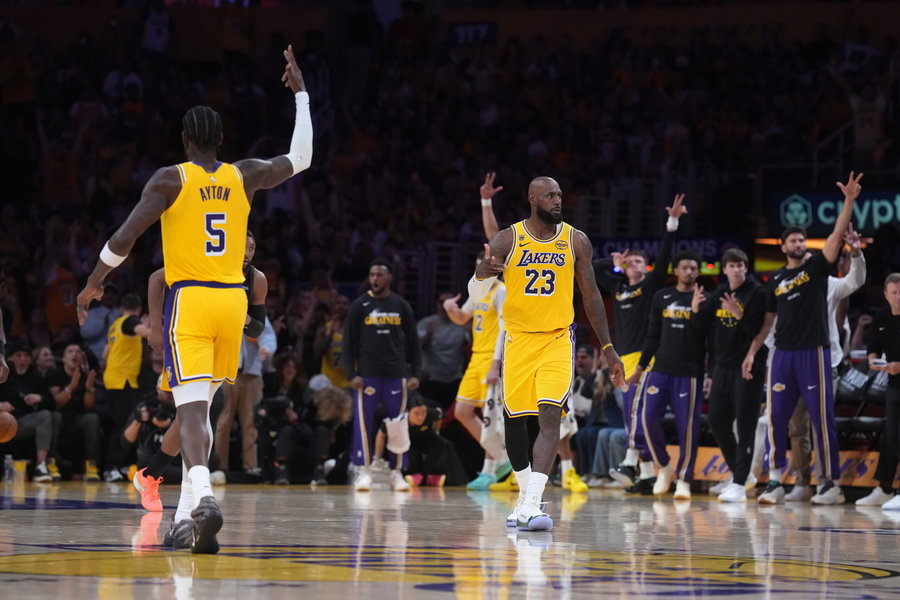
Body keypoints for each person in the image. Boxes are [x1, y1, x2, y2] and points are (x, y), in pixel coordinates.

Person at [76, 45, 312, 553]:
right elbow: (301, 158)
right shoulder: (243, 173)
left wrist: (94, 281)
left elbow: (123, 239)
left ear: (184, 141)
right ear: (220, 140)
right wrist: (302, 97)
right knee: (202, 408)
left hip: (192, 302)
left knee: (189, 411)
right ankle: (184, 519)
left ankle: (203, 497)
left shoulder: (170, 178)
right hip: (233, 302)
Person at [469, 175, 625, 531]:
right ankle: (526, 498)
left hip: (557, 340)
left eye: (559, 195)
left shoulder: (575, 240)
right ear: (532, 198)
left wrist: (608, 348)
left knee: (550, 416)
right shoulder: (508, 239)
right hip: (518, 341)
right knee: (514, 425)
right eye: (550, 195)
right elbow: (477, 296)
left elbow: (591, 296)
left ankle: (532, 503)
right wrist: (481, 273)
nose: (557, 201)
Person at [742, 172, 863, 506]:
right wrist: (752, 352)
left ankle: (830, 483)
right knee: (776, 419)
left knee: (822, 420)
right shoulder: (775, 279)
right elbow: (768, 322)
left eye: (801, 240)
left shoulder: (816, 270)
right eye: (793, 241)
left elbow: (836, 236)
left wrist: (849, 200)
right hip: (782, 354)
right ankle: (775, 481)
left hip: (814, 353)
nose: (798, 244)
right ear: (783, 247)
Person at [593, 195, 686, 493]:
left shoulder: (650, 285)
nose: (633, 264)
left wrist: (672, 223)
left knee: (636, 412)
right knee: (632, 414)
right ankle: (646, 476)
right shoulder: (618, 287)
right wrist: (611, 262)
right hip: (623, 358)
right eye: (629, 261)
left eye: (638, 262)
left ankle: (630, 460)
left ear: (646, 268)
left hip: (648, 359)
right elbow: (587, 271)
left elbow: (666, 254)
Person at [784, 228, 866, 502]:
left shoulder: (829, 284)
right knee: (796, 428)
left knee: (822, 426)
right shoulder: (786, 287)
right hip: (793, 365)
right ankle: (802, 482)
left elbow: (856, 280)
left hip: (823, 364)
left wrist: (856, 253)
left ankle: (828, 484)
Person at [630, 251, 710, 500]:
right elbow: (653, 335)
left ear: (698, 272)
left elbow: (706, 337)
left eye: (693, 268)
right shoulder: (662, 296)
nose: (689, 271)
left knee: (688, 428)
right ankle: (664, 465)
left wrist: (696, 311)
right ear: (676, 271)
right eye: (684, 267)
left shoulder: (704, 299)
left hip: (689, 373)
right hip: (660, 369)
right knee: (647, 419)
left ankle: (684, 479)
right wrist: (640, 367)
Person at [343, 258, 422, 492]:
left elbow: (414, 343)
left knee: (397, 424)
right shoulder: (360, 305)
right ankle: (363, 470)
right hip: (367, 375)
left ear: (389, 278)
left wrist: (415, 373)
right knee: (363, 423)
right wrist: (351, 374)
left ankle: (396, 472)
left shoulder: (401, 305)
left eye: (379, 274)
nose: (375, 278)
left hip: (396, 374)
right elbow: (348, 343)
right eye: (372, 275)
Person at [443, 254, 509, 490]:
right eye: (477, 265)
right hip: (476, 358)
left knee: (491, 416)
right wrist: (450, 309)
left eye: (484, 265)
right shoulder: (478, 291)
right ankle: (502, 457)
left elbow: (504, 330)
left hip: (492, 358)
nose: (480, 269)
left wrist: (496, 364)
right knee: (461, 411)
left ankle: (489, 471)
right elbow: (462, 318)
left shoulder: (501, 291)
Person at [705, 248, 767, 503]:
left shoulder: (757, 293)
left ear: (746, 268)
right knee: (716, 421)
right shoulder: (719, 293)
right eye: (732, 265)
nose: (737, 269)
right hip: (722, 366)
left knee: (745, 425)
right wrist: (710, 371)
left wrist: (738, 313)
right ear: (725, 269)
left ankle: (740, 483)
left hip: (748, 366)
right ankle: (740, 473)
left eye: (741, 265)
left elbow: (758, 331)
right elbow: (710, 333)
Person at [214, 230, 276, 476]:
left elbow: (265, 331)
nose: (247, 253)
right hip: (223, 367)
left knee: (251, 421)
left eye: (251, 249)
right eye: (243, 248)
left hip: (250, 372)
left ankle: (252, 468)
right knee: (222, 421)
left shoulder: (255, 282)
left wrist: (266, 348)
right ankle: (218, 468)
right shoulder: (218, 277)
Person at [102, 292, 151, 482]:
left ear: (122, 307)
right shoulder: (131, 321)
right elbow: (146, 333)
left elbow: (105, 354)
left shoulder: (115, 325)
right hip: (122, 381)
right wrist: (150, 326)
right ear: (139, 310)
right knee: (124, 426)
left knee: (123, 424)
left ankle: (119, 464)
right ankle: (111, 467)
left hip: (114, 379)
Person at [862, 273, 900, 510]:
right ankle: (885, 488)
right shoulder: (882, 317)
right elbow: (873, 347)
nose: (898, 297)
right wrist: (873, 360)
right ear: (885, 295)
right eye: (894, 293)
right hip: (894, 383)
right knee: (890, 434)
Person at [0, 339, 60, 482]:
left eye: (26, 356)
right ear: (10, 358)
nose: (23, 359)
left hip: (22, 423)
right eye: (18, 355)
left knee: (46, 415)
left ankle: (41, 466)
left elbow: (52, 403)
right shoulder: (3, 375)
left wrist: (40, 398)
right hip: (3, 419)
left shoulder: (35, 375)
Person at [47, 344, 101, 481]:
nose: (74, 354)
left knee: (92, 418)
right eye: (70, 352)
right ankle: (51, 462)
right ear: (64, 358)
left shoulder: (85, 376)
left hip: (76, 418)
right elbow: (56, 404)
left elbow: (88, 407)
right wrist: (71, 386)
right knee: (54, 416)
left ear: (82, 358)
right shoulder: (54, 374)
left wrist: (89, 389)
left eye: (77, 352)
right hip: (58, 418)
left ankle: (91, 464)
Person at [417, 294, 469, 410]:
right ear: (437, 305)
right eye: (441, 302)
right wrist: (428, 335)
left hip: (455, 378)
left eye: (449, 302)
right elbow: (415, 348)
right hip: (431, 378)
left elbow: (473, 347)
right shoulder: (427, 323)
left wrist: (470, 331)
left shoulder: (462, 324)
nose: (445, 307)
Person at [314, 295, 351, 388]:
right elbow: (317, 353)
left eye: (345, 304)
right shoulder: (324, 329)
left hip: (349, 382)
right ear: (333, 307)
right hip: (329, 382)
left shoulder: (356, 329)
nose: (341, 306)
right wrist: (331, 334)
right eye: (338, 303)